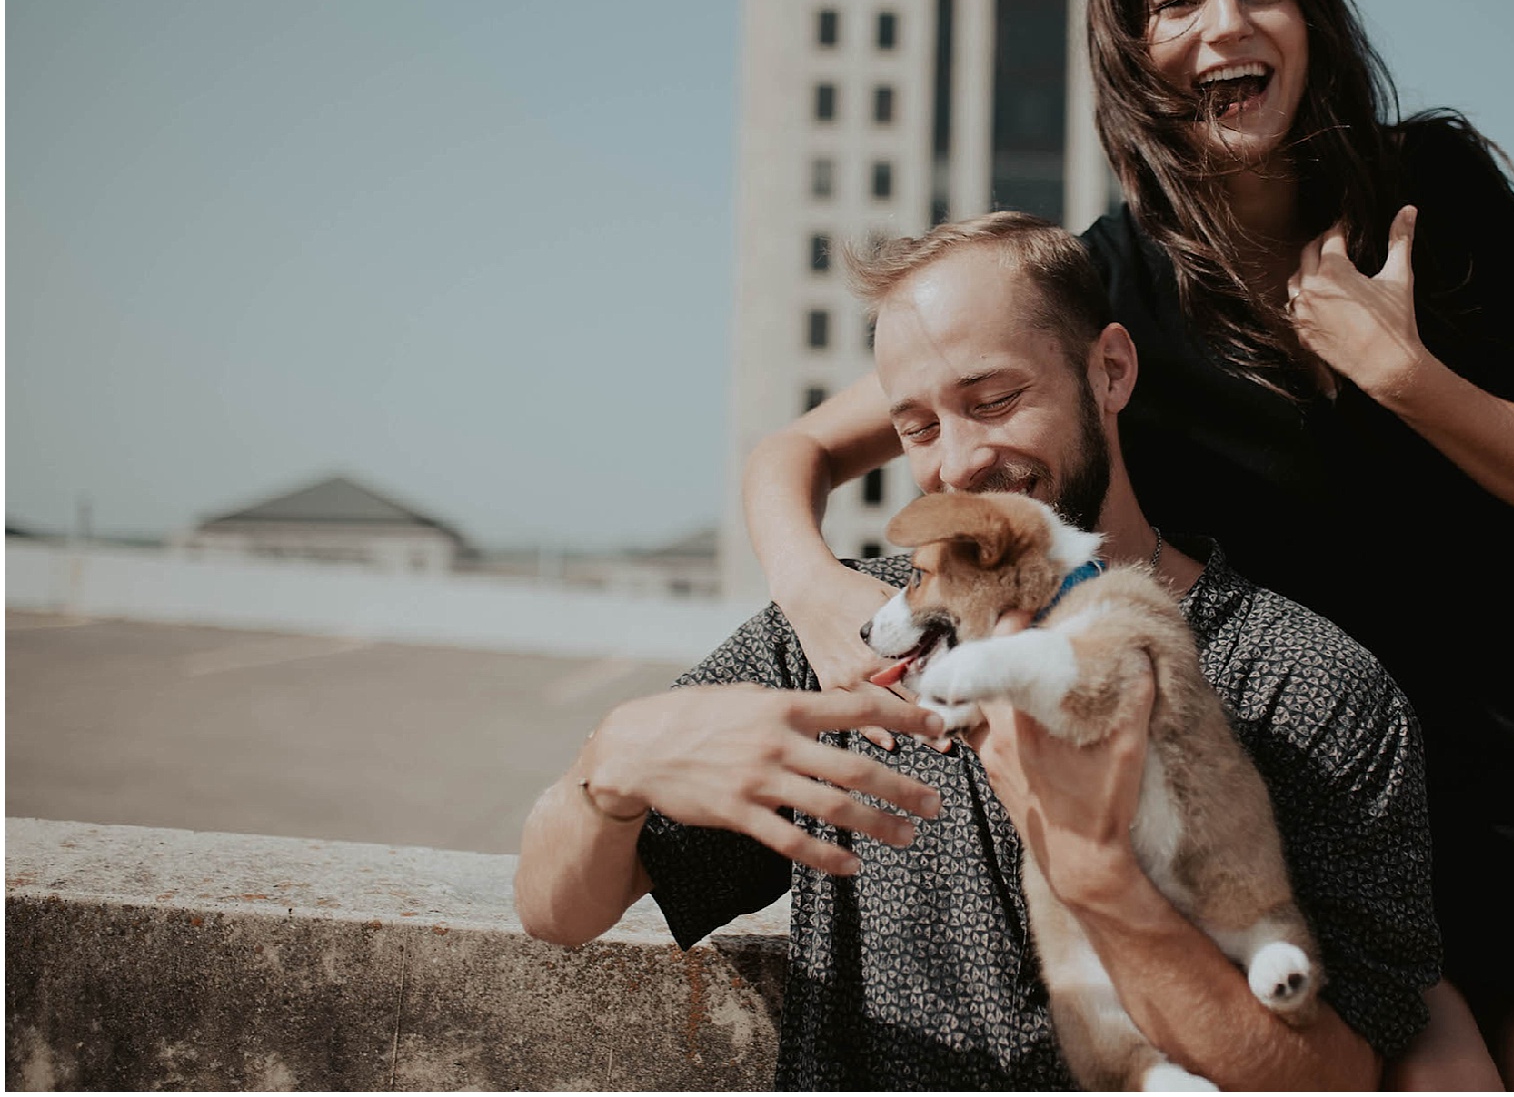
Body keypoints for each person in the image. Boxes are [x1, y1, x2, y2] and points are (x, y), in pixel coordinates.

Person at [743, 0, 1514, 1090]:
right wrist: (814, 597)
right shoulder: (1105, 287)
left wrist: (1396, 369)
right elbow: (797, 448)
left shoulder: (1425, 195)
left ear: (1310, 17)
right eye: (1175, 4)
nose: (1223, 26)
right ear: (1131, 48)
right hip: (1304, 789)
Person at [517, 216, 1441, 1090]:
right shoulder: (845, 631)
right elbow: (556, 909)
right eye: (916, 427)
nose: (957, 462)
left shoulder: (1310, 687)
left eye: (994, 402)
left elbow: (1338, 1075)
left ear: (1110, 372)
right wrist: (615, 767)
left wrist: (1101, 882)